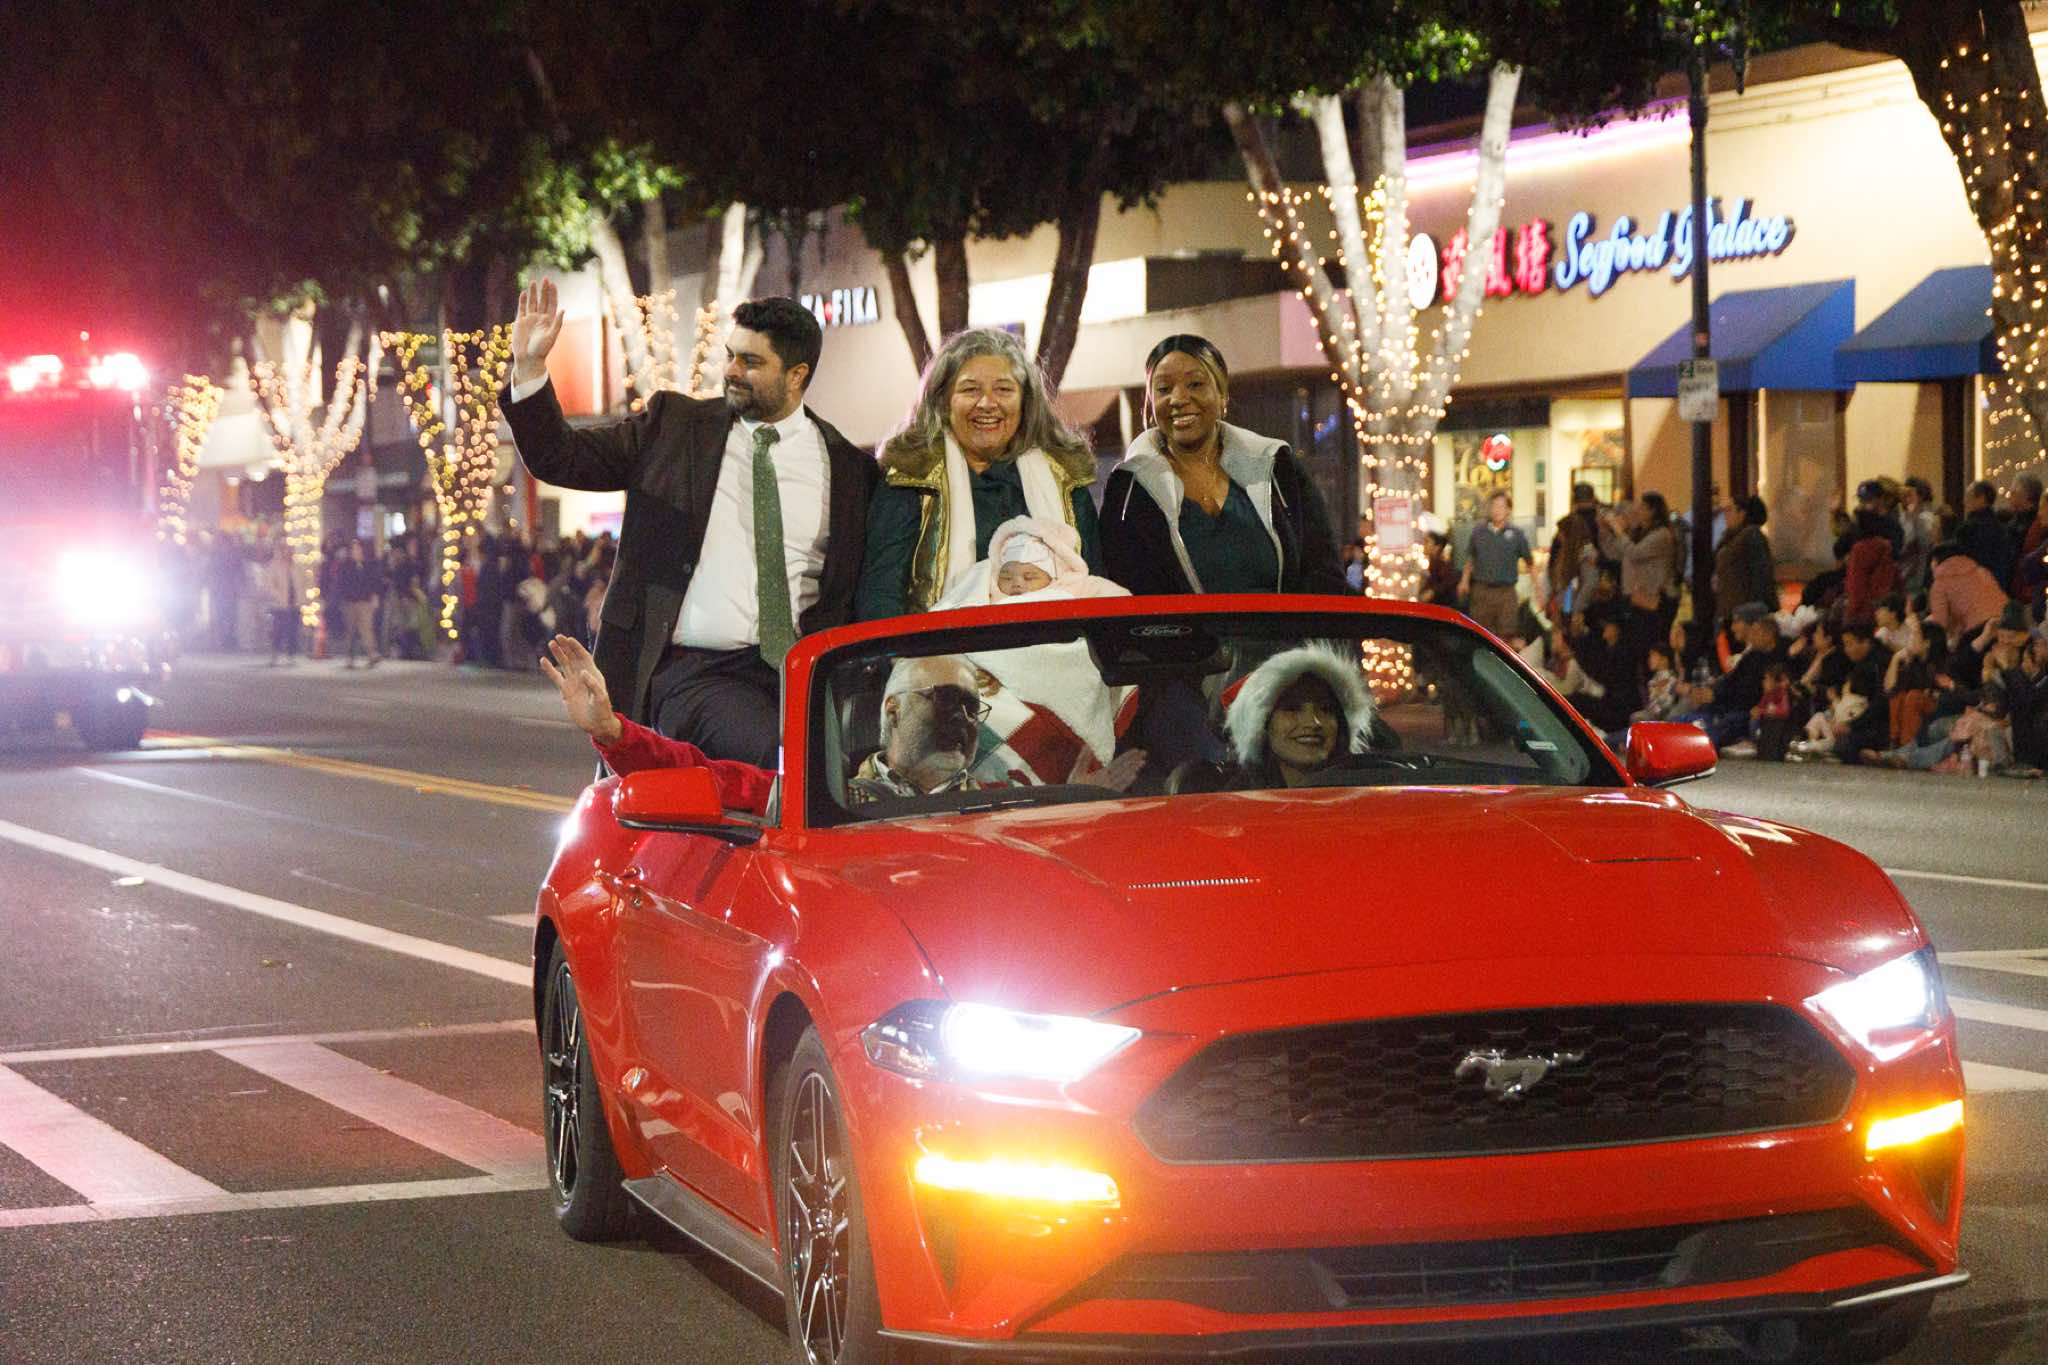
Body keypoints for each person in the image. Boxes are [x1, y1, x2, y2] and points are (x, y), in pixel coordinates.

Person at [501, 283, 878, 767]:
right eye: (730, 355)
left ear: (797, 374)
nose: (732, 371)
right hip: (693, 671)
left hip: (802, 677)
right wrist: (530, 367)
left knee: (854, 771)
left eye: (751, 362)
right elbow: (561, 457)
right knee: (785, 758)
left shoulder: (849, 470)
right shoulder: (674, 428)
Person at [858, 328, 1098, 620]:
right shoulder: (909, 480)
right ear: (942, 400)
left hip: (1057, 642)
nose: (987, 403)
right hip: (942, 645)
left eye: (1004, 390)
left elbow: (1095, 582)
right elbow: (881, 597)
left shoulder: (1065, 478)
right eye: (970, 390)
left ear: (1026, 402)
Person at [1100, 334, 1345, 598]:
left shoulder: (1278, 465)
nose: (1178, 398)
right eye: (1163, 389)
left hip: (1286, 627)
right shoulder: (1128, 490)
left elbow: (1324, 573)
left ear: (1222, 394)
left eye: (1195, 384)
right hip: (1184, 628)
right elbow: (1123, 591)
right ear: (1150, 403)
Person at [1168, 645, 1377, 792]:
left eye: (1326, 709)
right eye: (1291, 709)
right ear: (1262, 724)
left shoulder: (1374, 788)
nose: (1313, 722)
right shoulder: (1233, 806)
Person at [1459, 490, 1533, 641]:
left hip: (1506, 593)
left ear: (1508, 510)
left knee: (1506, 636)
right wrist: (1464, 581)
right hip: (1482, 590)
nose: (1497, 510)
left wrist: (1537, 589)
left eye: (1501, 506)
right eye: (1494, 506)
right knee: (1481, 635)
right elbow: (1471, 558)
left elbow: (1529, 562)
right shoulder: (1478, 532)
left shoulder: (1517, 534)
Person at [1712, 494, 1776, 631]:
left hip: (1746, 614)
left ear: (1742, 513)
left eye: (1729, 509)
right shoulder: (1731, 537)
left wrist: (1757, 610)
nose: (1725, 515)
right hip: (1731, 610)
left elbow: (1760, 574)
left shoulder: (1751, 535)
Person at [1956, 480, 2013, 587]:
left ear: (1981, 498)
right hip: (1997, 586)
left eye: (1968, 497)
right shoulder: (2001, 528)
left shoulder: (1968, 529)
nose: (1964, 502)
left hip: (1973, 585)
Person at [259, 540, 299, 667]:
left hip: (294, 603)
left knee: (293, 630)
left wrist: (301, 598)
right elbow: (269, 584)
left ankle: (291, 655)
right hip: (279, 605)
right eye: (285, 549)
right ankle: (275, 654)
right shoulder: (274, 566)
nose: (288, 552)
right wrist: (278, 596)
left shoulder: (296, 567)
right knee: (278, 630)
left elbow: (301, 583)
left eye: (290, 549)